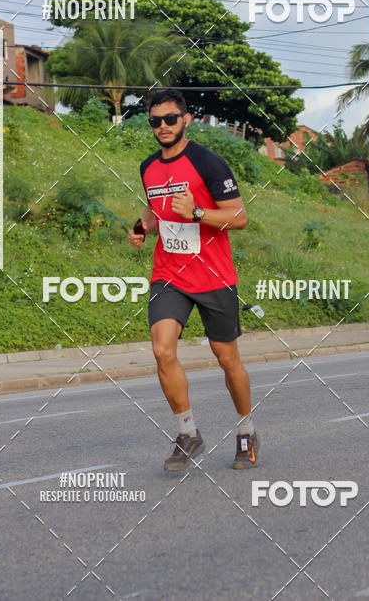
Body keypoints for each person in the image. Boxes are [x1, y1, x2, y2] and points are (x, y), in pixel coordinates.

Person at [128, 88, 259, 471]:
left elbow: (239, 217)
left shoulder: (209, 163)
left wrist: (198, 211)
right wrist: (142, 226)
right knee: (162, 350)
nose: (163, 127)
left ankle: (247, 430)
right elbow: (155, 211)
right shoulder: (148, 167)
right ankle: (188, 433)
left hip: (214, 275)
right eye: (156, 121)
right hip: (169, 273)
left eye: (170, 119)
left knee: (227, 358)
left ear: (186, 119)